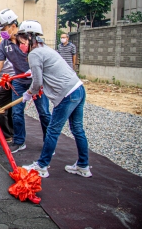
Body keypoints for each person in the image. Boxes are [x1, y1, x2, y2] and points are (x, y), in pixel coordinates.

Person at [16, 21, 91, 179]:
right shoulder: (44, 49)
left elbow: (37, 83)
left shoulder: (34, 54)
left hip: (67, 94)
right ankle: (83, 166)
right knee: (77, 129)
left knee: (52, 130)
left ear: (31, 38)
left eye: (22, 41)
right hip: (78, 88)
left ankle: (42, 166)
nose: (20, 45)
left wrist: (28, 93)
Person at [0, 9, 51, 153]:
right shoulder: (4, 44)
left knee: (44, 113)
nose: (2, 32)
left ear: (13, 25)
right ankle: (19, 141)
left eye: (3, 28)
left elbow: (45, 57)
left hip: (36, 81)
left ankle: (49, 142)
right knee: (16, 112)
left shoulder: (30, 39)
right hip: (19, 82)